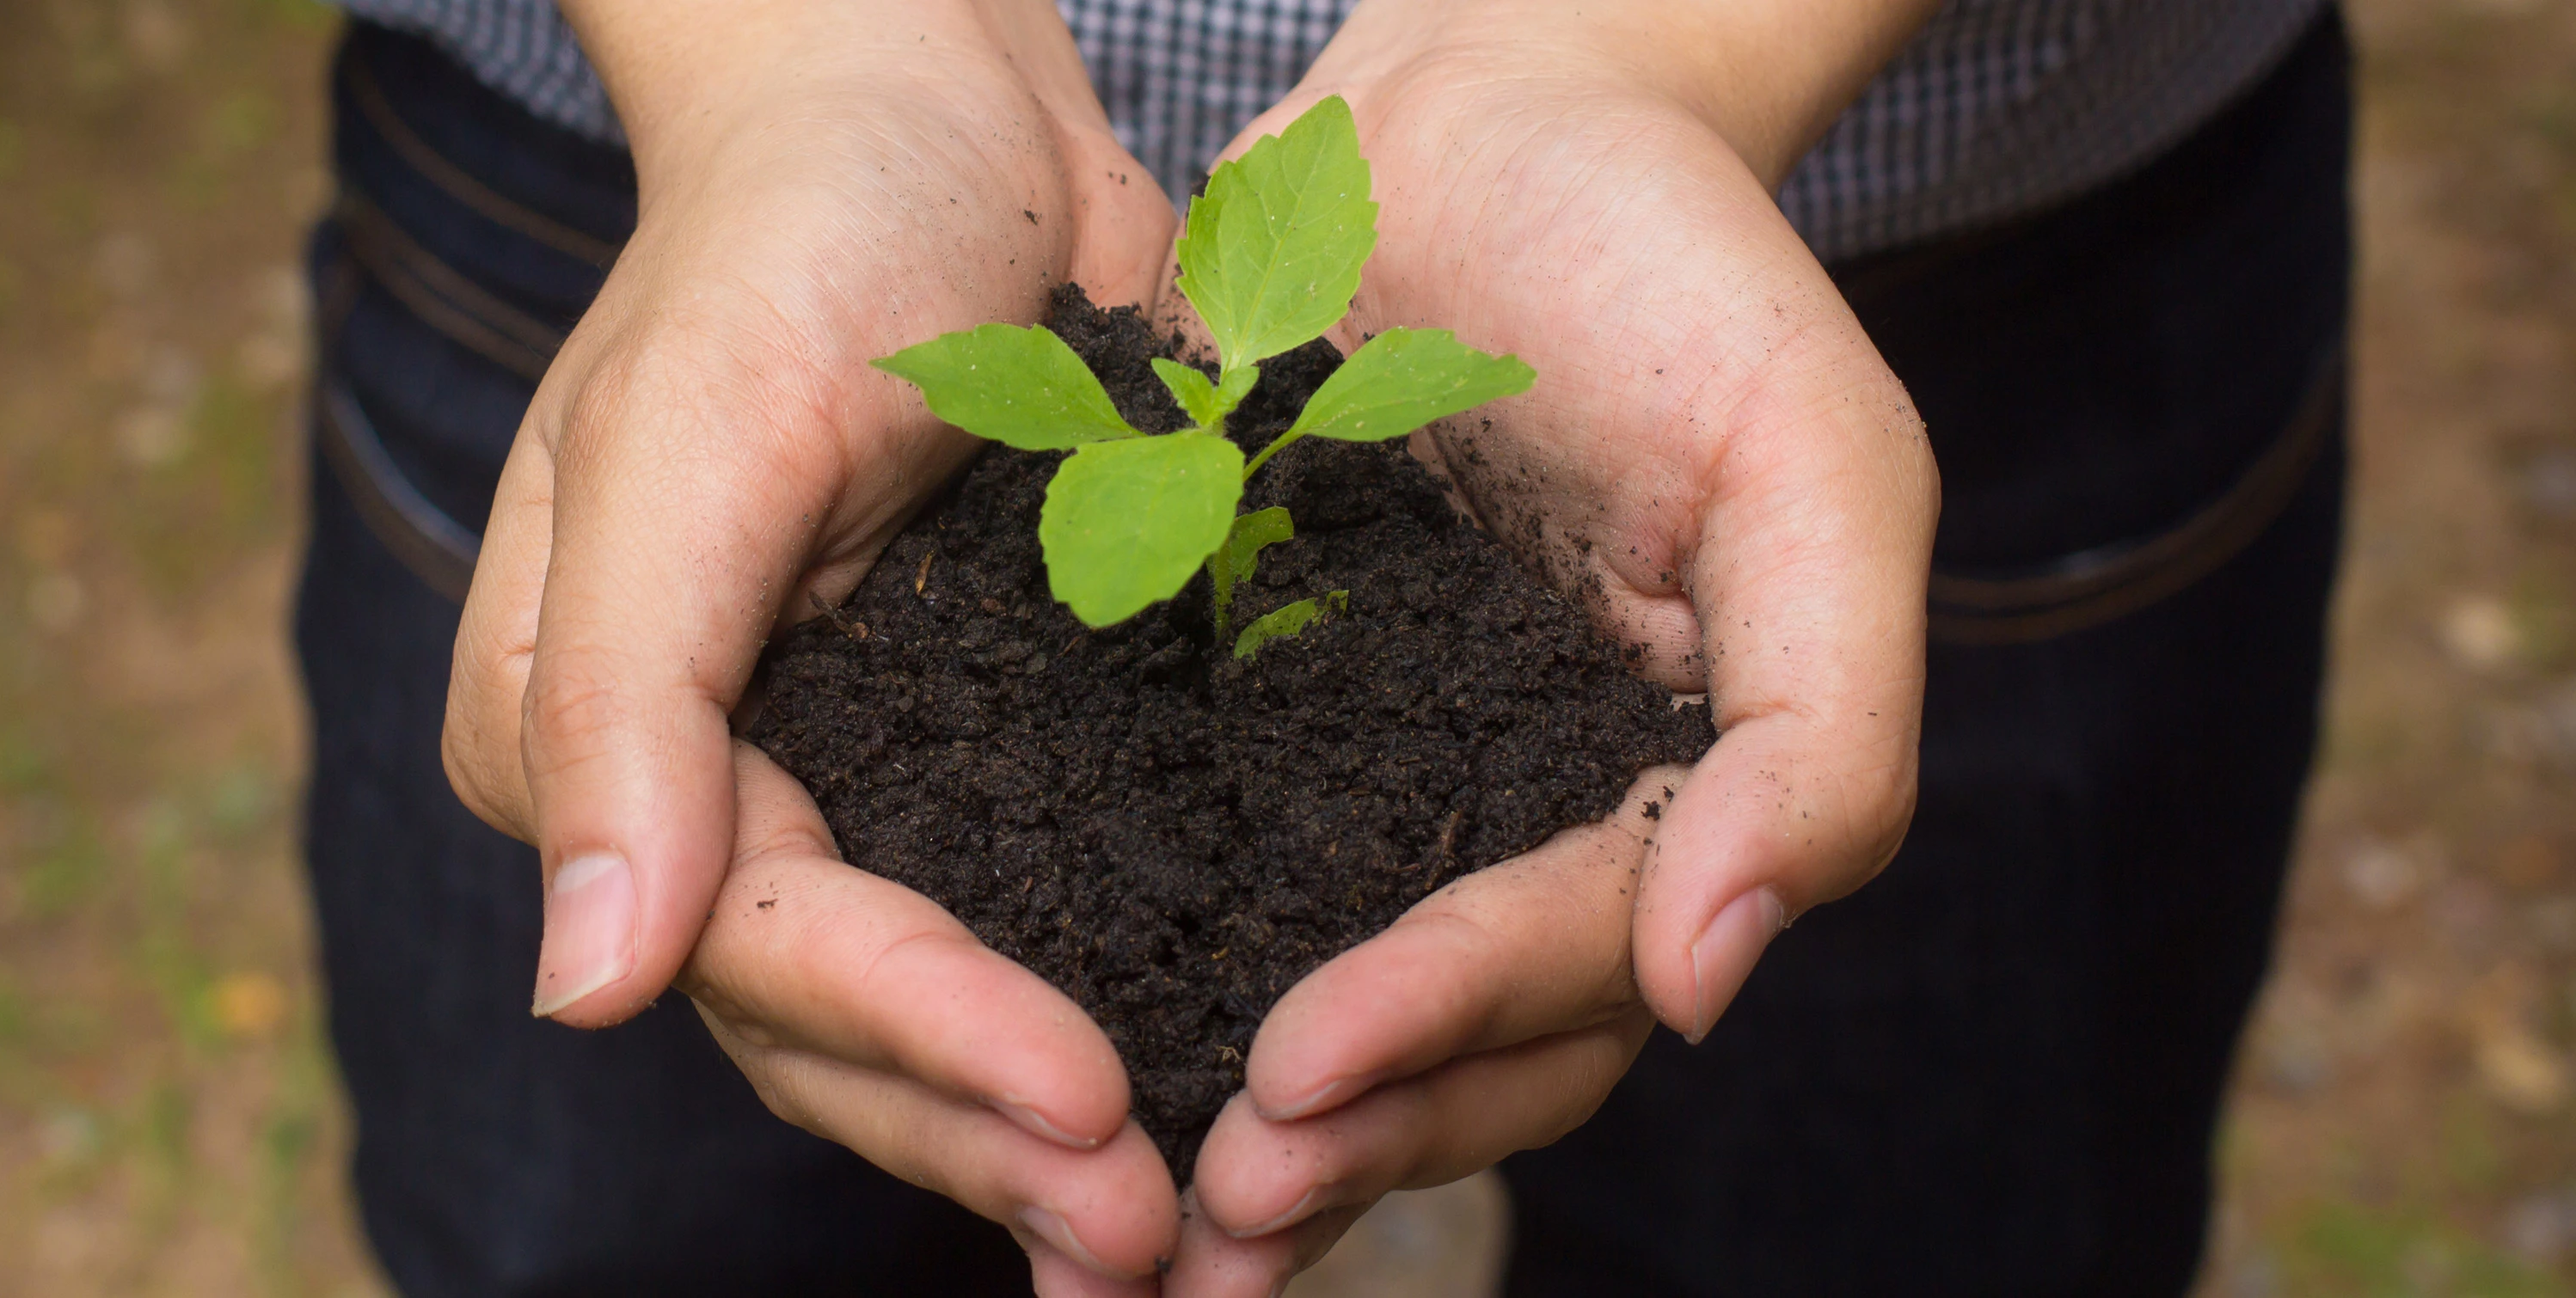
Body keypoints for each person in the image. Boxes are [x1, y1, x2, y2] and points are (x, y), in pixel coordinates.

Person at [291, 0, 2351, 1293]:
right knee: (621, 1233)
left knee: (1900, 1221)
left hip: (1967, 218)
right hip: (679, 175)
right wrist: (791, 48)